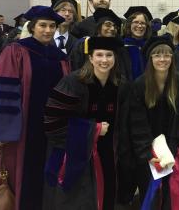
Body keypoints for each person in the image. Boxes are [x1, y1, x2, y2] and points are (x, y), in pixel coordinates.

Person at [0, 6, 69, 209]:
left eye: (52, 26)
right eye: (42, 25)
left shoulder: (61, 58)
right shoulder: (16, 51)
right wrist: (2, 131)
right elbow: (4, 94)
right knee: (20, 174)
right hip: (22, 130)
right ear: (32, 27)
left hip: (52, 130)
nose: (47, 30)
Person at [43, 36, 128, 210]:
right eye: (99, 55)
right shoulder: (73, 82)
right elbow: (52, 121)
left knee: (108, 192)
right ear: (90, 58)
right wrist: (94, 129)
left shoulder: (121, 85)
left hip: (110, 152)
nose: (104, 60)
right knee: (79, 199)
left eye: (109, 55)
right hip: (76, 153)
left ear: (115, 58)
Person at [123, 35, 179, 208]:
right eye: (157, 55)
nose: (163, 59)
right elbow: (137, 123)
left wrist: (173, 147)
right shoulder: (139, 85)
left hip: (175, 146)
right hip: (147, 149)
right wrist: (147, 152)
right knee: (150, 191)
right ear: (150, 58)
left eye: (167, 55)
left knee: (171, 191)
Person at [122, 6, 153, 80]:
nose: (139, 26)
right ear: (129, 25)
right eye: (136, 22)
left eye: (143, 23)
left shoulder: (151, 46)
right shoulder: (122, 46)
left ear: (147, 26)